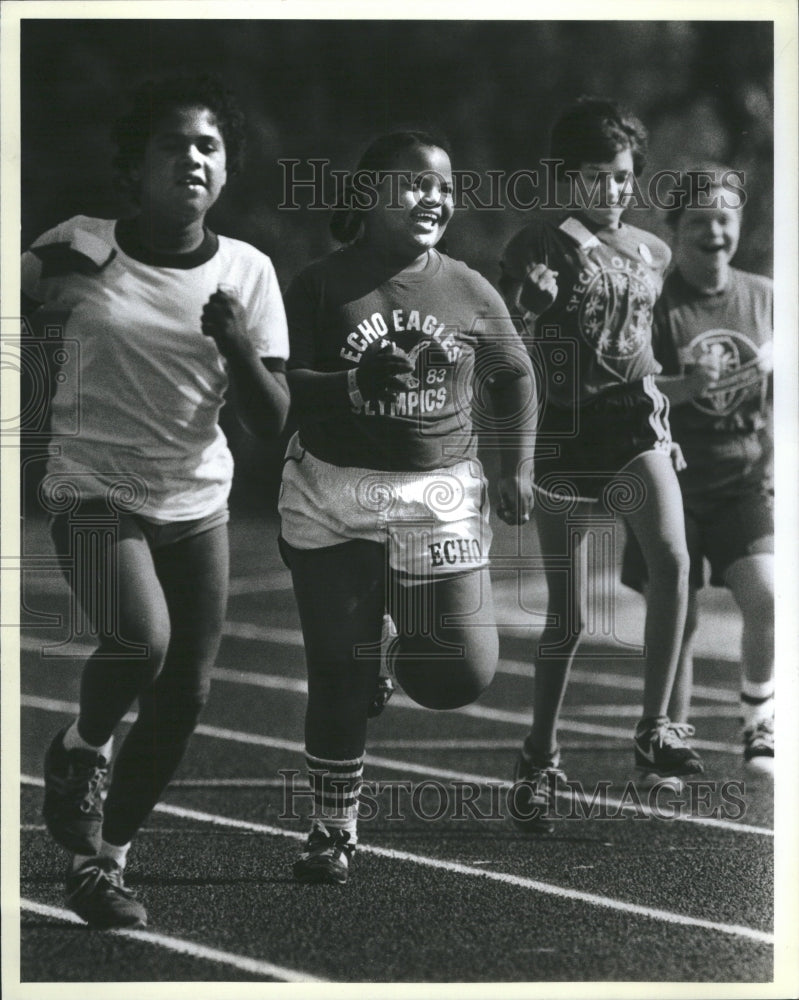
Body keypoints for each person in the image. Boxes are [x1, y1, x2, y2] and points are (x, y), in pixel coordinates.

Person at [24, 74, 290, 928]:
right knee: (140, 640)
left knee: (186, 695)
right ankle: (79, 749)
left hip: (196, 499)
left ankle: (105, 863)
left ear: (226, 171)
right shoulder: (78, 246)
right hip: (92, 487)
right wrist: (33, 316)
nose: (192, 159)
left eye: (208, 147)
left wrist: (238, 346)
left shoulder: (248, 272)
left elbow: (270, 421)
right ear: (135, 166)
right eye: (174, 144)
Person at [279, 130, 537, 883]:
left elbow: (514, 377)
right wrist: (350, 384)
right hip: (333, 490)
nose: (435, 199)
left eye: (444, 188)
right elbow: (281, 382)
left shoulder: (465, 287)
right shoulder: (320, 285)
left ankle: (394, 641)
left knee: (459, 677)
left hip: (438, 494)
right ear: (367, 195)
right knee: (336, 669)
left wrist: (514, 465)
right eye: (415, 184)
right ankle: (332, 830)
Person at [498, 97, 703, 831]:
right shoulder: (539, 243)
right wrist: (530, 303)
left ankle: (654, 729)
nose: (609, 191)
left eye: (619, 177)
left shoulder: (652, 251)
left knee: (674, 562)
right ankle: (539, 753)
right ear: (564, 178)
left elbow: (646, 341)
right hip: (562, 432)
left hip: (632, 422)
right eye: (592, 177)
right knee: (566, 615)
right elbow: (507, 338)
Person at [621, 166, 774, 776]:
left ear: (738, 225)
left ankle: (760, 720)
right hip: (672, 481)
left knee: (767, 596)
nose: (714, 231)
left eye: (724, 218)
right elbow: (630, 385)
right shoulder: (654, 299)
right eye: (699, 221)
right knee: (677, 617)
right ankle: (667, 737)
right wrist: (687, 386)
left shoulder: (765, 296)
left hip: (743, 482)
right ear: (676, 230)